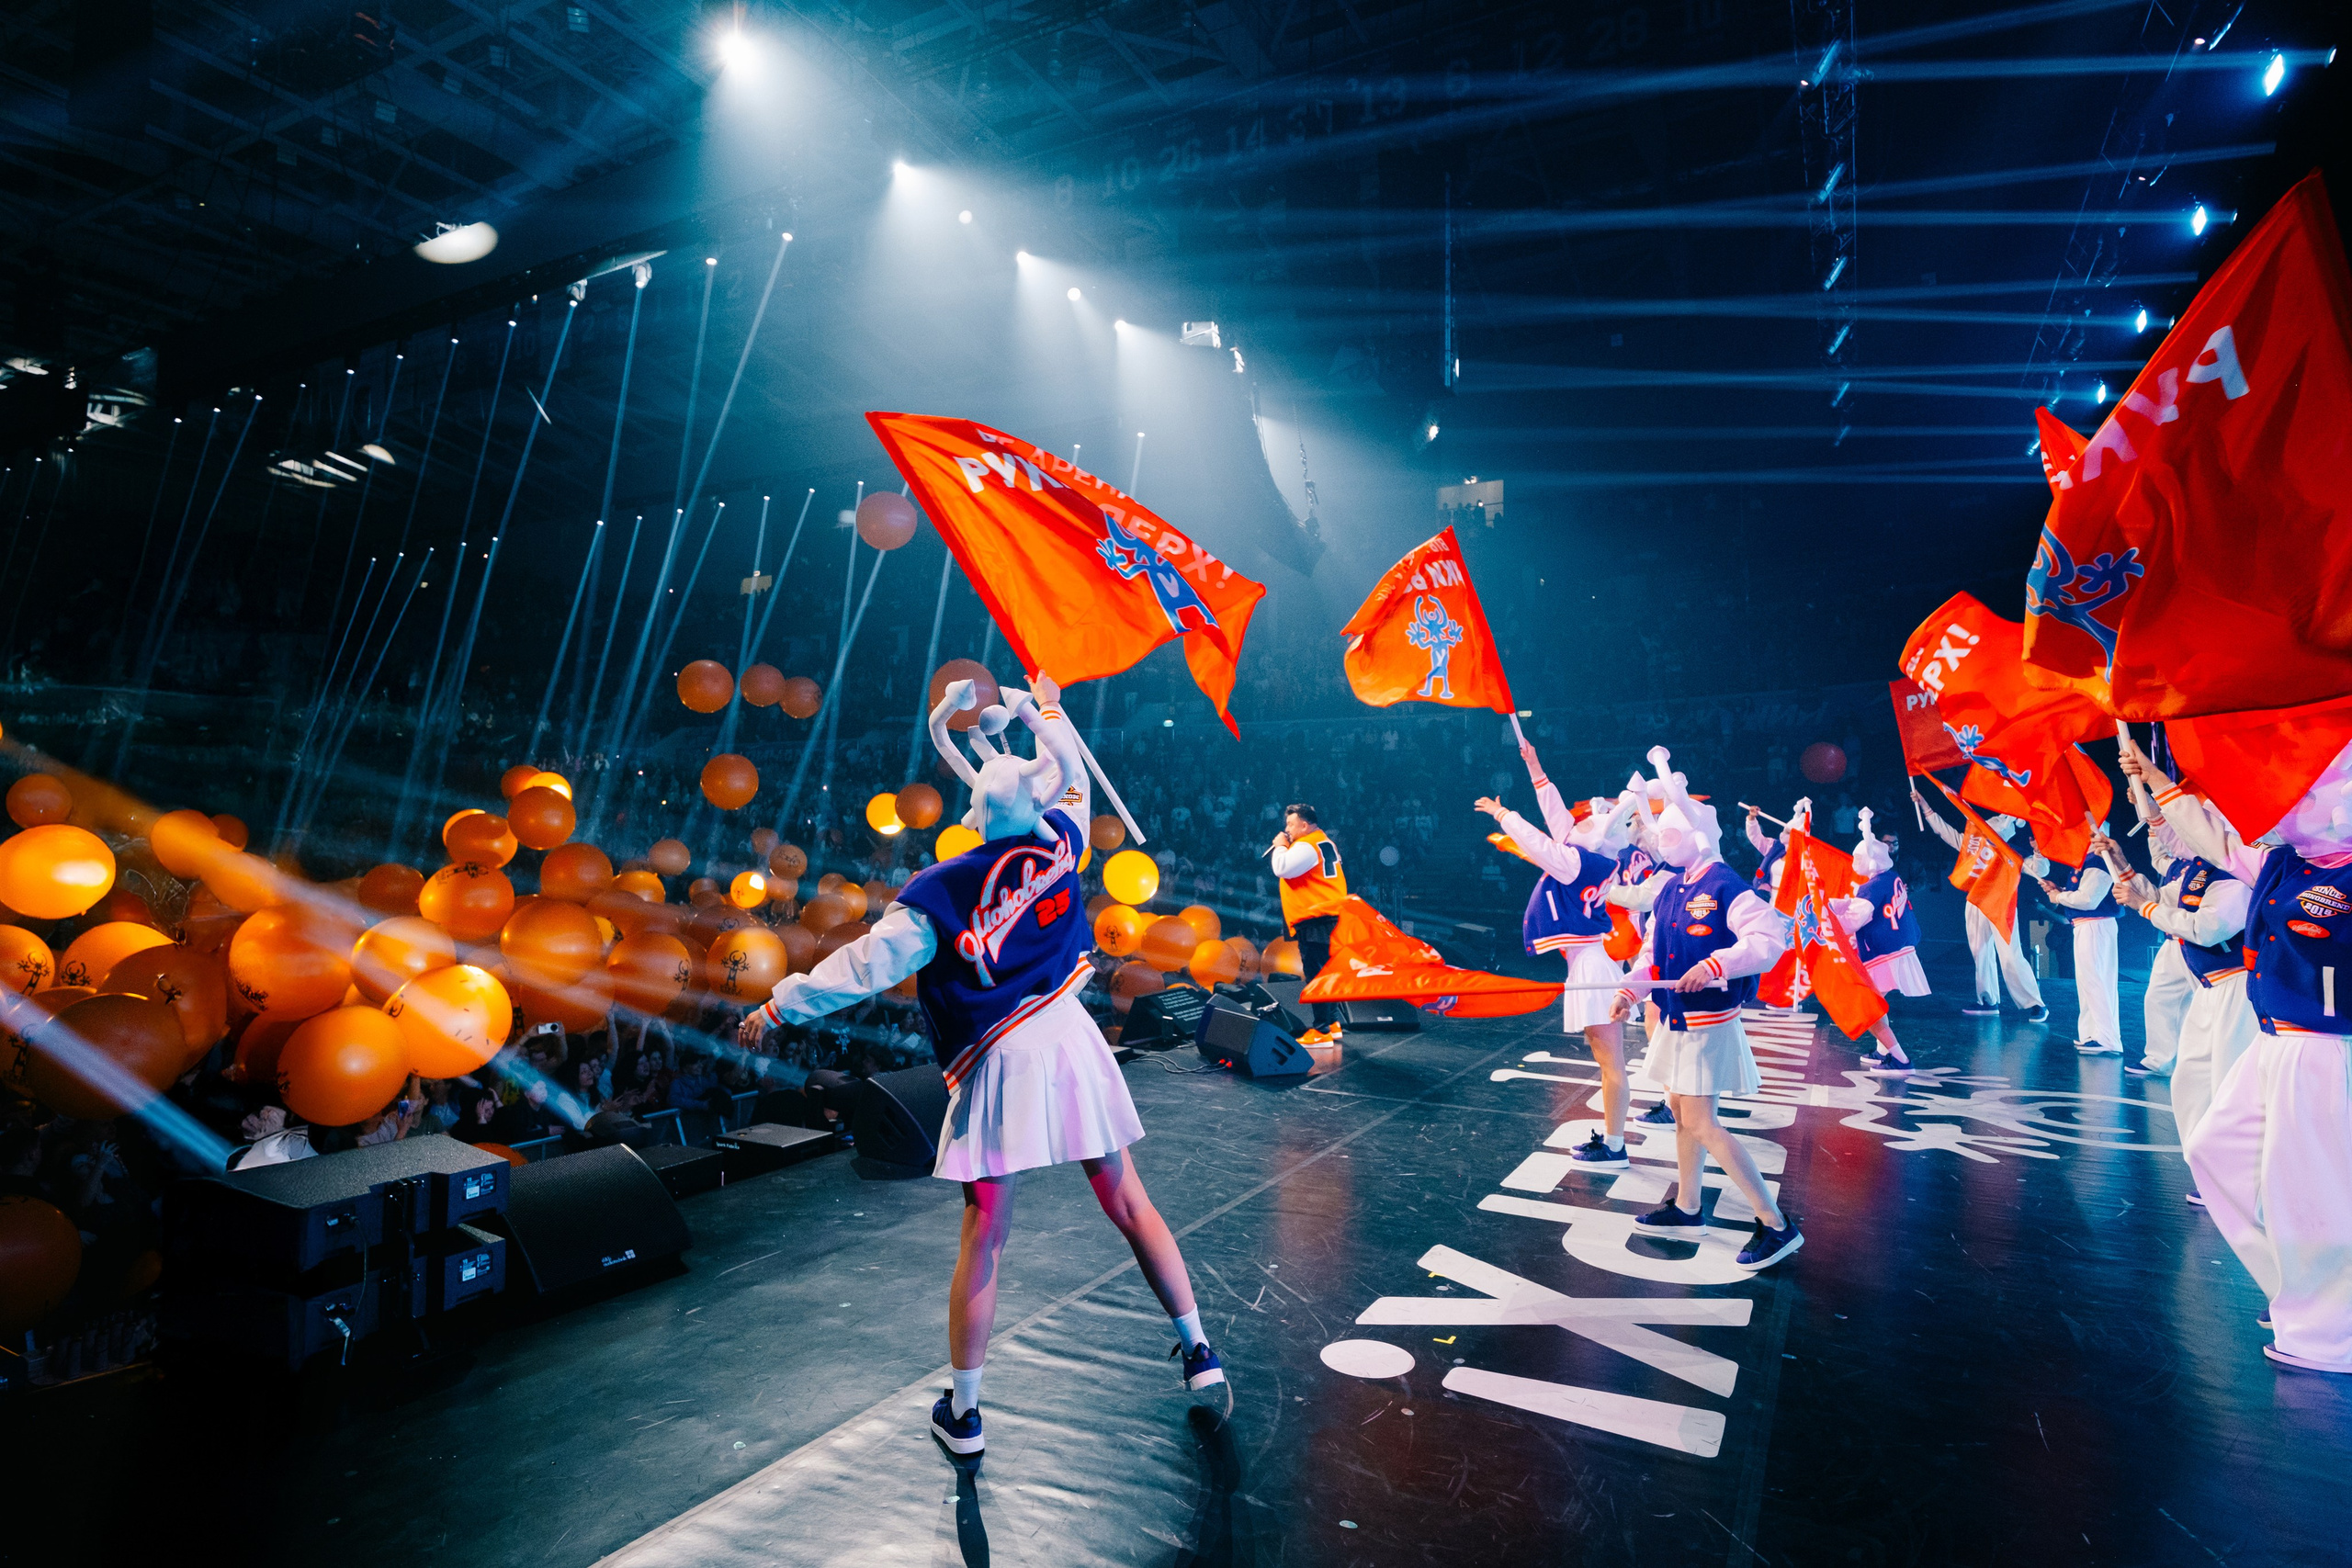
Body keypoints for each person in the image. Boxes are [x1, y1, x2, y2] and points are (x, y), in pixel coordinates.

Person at [737, 671, 1222, 1456]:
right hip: (1070, 1039)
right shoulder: (1060, 841)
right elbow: (1068, 773)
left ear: (973, 813)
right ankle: (1200, 1354)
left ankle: (964, 1415)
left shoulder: (937, 892)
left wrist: (778, 1006)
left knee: (986, 1232)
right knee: (1129, 1202)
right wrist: (1047, 707)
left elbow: (859, 966)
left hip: (1000, 1057)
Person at [2122, 740, 2352, 1374]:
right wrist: (2157, 782)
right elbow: (2217, 842)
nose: (2286, 799)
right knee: (2213, 1150)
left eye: (2307, 789)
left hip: (2328, 1048)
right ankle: (2300, 1291)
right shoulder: (2285, 862)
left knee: (2315, 1189)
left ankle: (2330, 1334)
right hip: (2275, 1038)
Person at [1609, 746, 1802, 1270]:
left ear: (1697, 836)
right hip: (1675, 1020)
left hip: (1708, 1024)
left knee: (1700, 1120)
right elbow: (1652, 951)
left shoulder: (1724, 885)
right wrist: (1631, 990)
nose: (1660, 842)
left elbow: (1769, 938)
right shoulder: (1673, 886)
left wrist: (1717, 965)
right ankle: (1689, 1206)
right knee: (1682, 1116)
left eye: (1669, 835)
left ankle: (1776, 1223)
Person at [1477, 745, 1642, 1167]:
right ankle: (1614, 1140)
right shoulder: (1594, 857)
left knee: (1611, 1063)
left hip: (1593, 962)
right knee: (1605, 1058)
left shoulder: (1578, 863)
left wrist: (1503, 815)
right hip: (1589, 959)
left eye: (1587, 820)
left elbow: (1540, 843)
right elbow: (1556, 818)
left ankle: (1616, 1145)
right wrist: (1534, 764)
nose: (1578, 820)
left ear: (1597, 835)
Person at [2096, 817, 2254, 1203]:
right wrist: (2120, 863)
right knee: (2190, 1081)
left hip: (2237, 987)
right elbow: (2163, 899)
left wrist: (2146, 907)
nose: (2168, 834)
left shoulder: (2238, 871)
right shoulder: (2198, 869)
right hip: (2209, 988)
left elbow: (2208, 928)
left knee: (2226, 1088)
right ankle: (2212, 1172)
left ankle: (2238, 1185)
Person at [1913, 788, 2050, 1021]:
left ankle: (2034, 1004)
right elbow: (1947, 833)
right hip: (1976, 900)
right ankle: (1987, 1000)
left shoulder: (2010, 854)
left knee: (2009, 954)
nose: (1984, 835)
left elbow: (2040, 871)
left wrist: (2039, 853)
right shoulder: (1973, 848)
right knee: (1981, 952)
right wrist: (1926, 809)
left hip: (2000, 903)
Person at [1834, 808, 1928, 1074]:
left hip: (1886, 953)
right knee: (1875, 1003)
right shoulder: (1891, 877)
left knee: (1868, 1007)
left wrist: (1828, 920)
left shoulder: (1872, 886)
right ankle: (1883, 1051)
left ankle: (1900, 1058)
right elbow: (1861, 906)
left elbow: (1855, 919)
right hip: (1899, 949)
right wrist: (1836, 904)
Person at [1270, 802, 1349, 1044]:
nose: (1287, 830)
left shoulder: (1306, 846)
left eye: (1291, 824)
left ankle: (1322, 1031)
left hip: (1316, 918)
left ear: (1304, 825)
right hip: (1328, 916)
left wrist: (1280, 848)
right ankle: (1332, 1024)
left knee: (1316, 975)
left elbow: (1281, 868)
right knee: (1327, 972)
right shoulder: (1324, 841)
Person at [2039, 842, 2122, 1055]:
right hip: (2085, 925)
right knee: (2088, 983)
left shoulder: (2097, 860)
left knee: (2097, 981)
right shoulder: (2084, 862)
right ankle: (2092, 1035)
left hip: (2096, 923)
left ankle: (2107, 1038)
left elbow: (2089, 899)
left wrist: (2058, 897)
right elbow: (2083, 893)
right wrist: (2061, 891)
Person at [2132, 831, 2197, 1079]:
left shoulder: (2210, 865)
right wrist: (2152, 824)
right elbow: (2159, 857)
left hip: (2200, 945)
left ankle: (2194, 1063)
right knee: (2157, 998)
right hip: (2173, 941)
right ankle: (2160, 1060)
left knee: (2204, 1010)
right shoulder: (2178, 864)